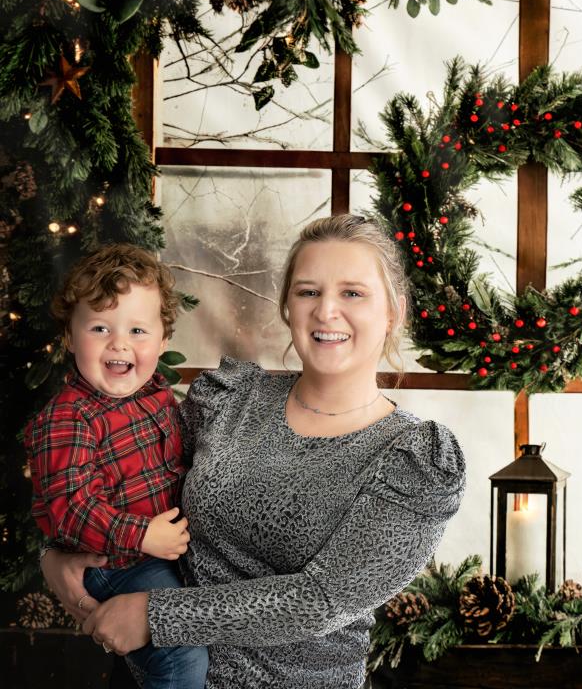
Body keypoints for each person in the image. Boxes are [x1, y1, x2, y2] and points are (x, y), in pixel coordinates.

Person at [41, 214, 468, 689]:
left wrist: (155, 614)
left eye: (353, 293)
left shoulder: (412, 458)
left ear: (394, 312)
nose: (326, 311)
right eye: (308, 291)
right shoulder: (231, 399)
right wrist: (55, 558)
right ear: (287, 306)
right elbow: (124, 477)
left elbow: (321, 599)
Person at [25, 243, 209, 688]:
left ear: (164, 341)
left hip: (163, 555)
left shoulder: (158, 396)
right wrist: (144, 534)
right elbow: (71, 508)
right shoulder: (68, 418)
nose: (119, 343)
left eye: (138, 331)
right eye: (100, 327)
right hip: (117, 561)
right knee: (180, 652)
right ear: (70, 336)